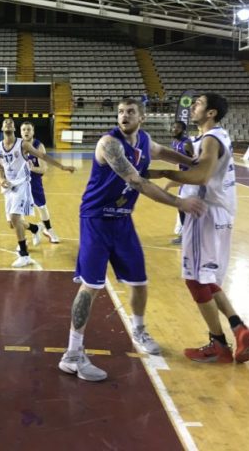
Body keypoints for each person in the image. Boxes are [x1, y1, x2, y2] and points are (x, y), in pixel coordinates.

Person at [58, 99, 205, 382]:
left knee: (139, 281)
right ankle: (72, 354)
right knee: (91, 286)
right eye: (120, 112)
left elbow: (161, 152)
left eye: (130, 112)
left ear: (142, 117)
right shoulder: (109, 144)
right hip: (96, 219)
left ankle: (138, 330)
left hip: (123, 220)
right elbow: (136, 181)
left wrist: (191, 163)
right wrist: (179, 202)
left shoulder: (145, 140)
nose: (124, 116)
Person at [150, 94, 249, 364]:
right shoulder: (216, 136)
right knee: (206, 279)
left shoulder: (210, 139)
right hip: (219, 213)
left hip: (203, 213)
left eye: (198, 103)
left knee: (194, 280)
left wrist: (162, 174)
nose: (193, 106)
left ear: (211, 113)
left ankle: (219, 344)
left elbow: (202, 176)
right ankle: (239, 328)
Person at [0, 118, 76, 268]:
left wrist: (63, 167)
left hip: (22, 185)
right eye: (6, 123)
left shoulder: (23, 145)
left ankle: (24, 255)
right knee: (12, 223)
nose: (8, 124)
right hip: (8, 187)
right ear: (2, 128)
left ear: (14, 129)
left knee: (17, 216)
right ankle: (35, 228)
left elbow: (43, 156)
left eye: (11, 123)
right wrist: (1, 178)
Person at [20, 121, 61, 243]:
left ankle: (48, 229)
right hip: (20, 182)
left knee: (42, 207)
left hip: (34, 181)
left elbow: (43, 169)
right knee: (17, 212)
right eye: (24, 129)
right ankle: (23, 239)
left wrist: (30, 168)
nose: (26, 132)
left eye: (29, 129)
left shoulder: (38, 146)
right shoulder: (17, 146)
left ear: (33, 132)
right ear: (20, 132)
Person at [166, 120, 194, 245]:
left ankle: (186, 235)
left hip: (192, 179)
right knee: (182, 207)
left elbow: (197, 162)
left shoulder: (187, 143)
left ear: (183, 130)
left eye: (177, 128)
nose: (174, 129)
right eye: (173, 127)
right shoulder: (174, 143)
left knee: (183, 207)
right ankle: (187, 233)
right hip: (185, 179)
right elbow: (178, 162)